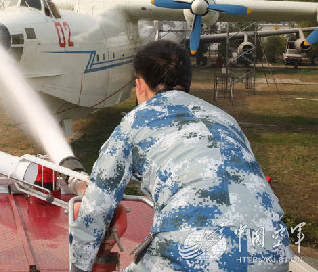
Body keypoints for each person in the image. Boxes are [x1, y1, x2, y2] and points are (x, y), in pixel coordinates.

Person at [69, 40, 292, 272]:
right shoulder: (225, 119)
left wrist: (79, 265)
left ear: (140, 85)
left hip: (192, 253)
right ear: (187, 84)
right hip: (271, 251)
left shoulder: (135, 122)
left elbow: (97, 205)